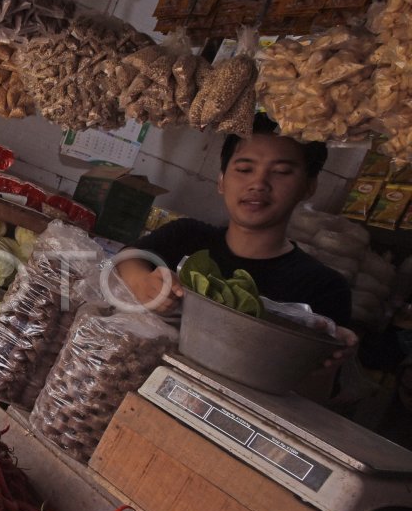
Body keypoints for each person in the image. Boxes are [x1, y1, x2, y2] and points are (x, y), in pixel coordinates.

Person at [116, 114, 357, 361]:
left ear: (309, 187)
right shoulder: (187, 235)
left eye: (282, 172)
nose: (258, 183)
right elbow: (127, 258)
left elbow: (317, 388)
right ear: (221, 180)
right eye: (244, 169)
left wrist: (333, 358)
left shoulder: (325, 288)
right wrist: (143, 283)